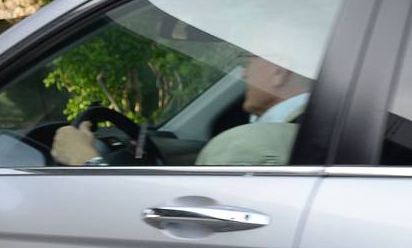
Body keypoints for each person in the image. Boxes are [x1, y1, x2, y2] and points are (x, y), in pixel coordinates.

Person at [51, 55, 312, 168]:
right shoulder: (315, 134)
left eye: (250, 60)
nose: (244, 72)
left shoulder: (248, 147)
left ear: (279, 70)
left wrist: (86, 161)